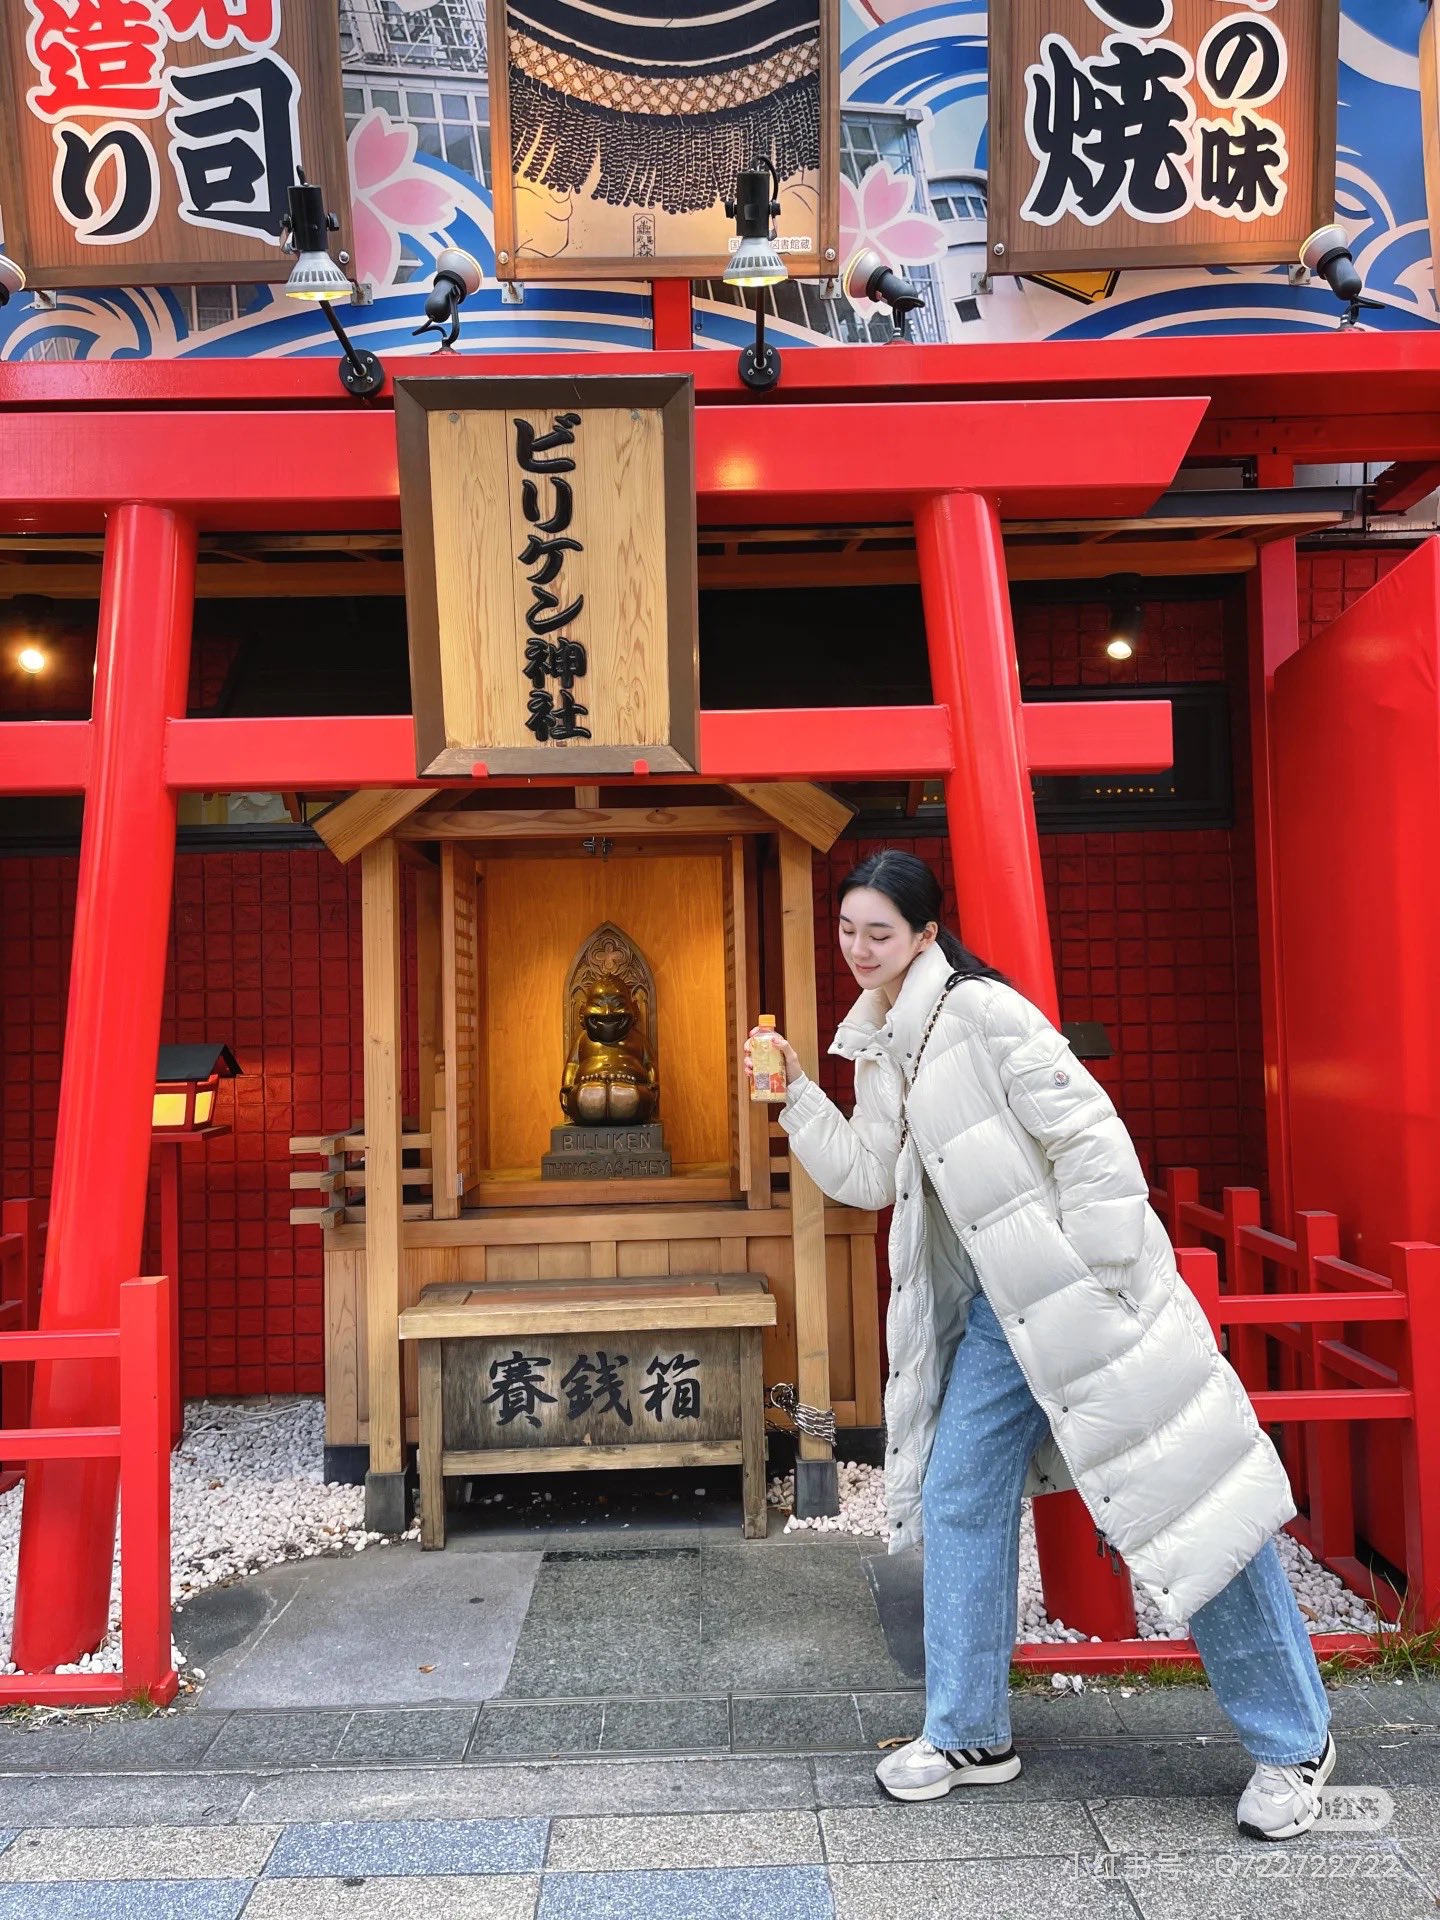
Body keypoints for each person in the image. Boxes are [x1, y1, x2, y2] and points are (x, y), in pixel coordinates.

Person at [745, 849, 1335, 1842]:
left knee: (1190, 1497)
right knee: (957, 1495)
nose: (859, 949)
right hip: (995, 1318)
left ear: (926, 935)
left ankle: (1297, 1743)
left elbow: (1091, 1138)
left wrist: (1103, 1275)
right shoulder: (884, 1041)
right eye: (847, 930)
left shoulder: (985, 1015)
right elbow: (870, 1176)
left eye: (879, 932)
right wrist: (800, 1093)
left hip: (1083, 1304)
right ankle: (968, 1734)